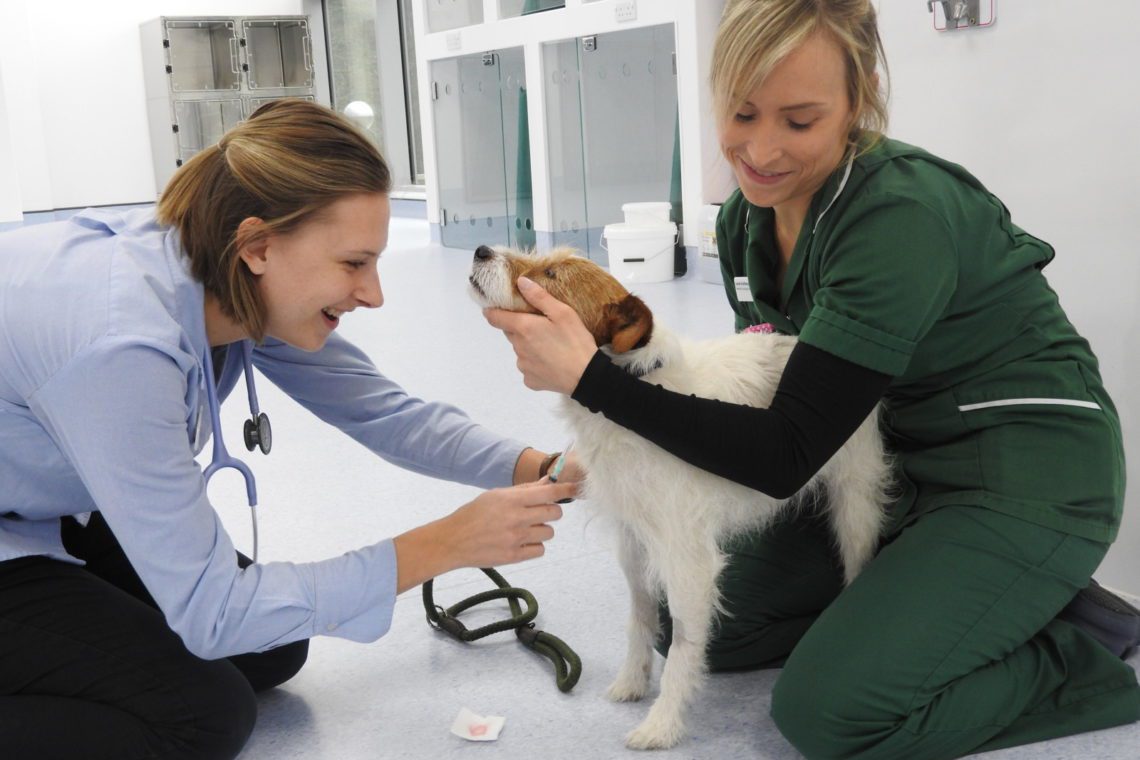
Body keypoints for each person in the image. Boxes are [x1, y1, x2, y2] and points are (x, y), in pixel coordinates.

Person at [483, 1, 1140, 757]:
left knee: (832, 713)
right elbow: (766, 392)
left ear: (857, 103)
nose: (760, 150)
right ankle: (930, 612)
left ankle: (1077, 656)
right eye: (741, 112)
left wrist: (596, 383)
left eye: (799, 121)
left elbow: (782, 454)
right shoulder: (743, 222)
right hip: (879, 459)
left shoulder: (899, 217)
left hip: (1019, 476)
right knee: (706, 629)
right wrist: (608, 446)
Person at [0, 99, 576, 760]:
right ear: (257, 246)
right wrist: (445, 543)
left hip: (52, 506)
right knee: (203, 714)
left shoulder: (221, 272)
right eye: (354, 264)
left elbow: (383, 411)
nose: (375, 294)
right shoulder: (118, 344)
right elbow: (214, 613)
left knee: (272, 648)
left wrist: (543, 467)